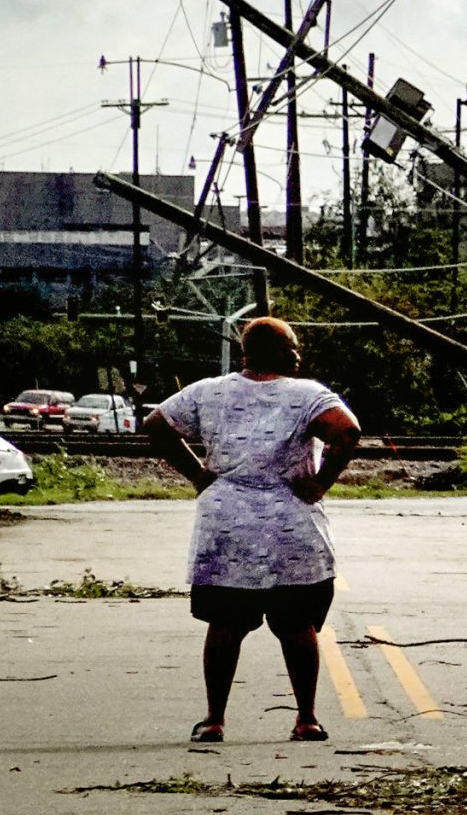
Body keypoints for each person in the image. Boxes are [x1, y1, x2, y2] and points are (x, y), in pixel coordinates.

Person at [143, 317, 362, 744]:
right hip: (289, 526)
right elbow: (346, 430)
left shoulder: (207, 391)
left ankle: (214, 720)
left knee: (225, 623)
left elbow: (155, 425)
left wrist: (198, 474)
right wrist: (320, 482)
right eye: (292, 347)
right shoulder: (308, 395)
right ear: (276, 351)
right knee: (298, 626)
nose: (298, 354)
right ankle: (306, 719)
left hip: (227, 524)